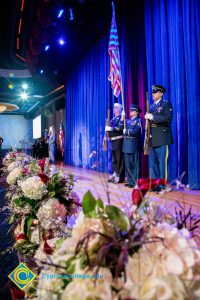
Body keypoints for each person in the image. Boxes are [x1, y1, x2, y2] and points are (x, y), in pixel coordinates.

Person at [144, 84, 173, 180]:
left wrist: (153, 117)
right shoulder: (151, 107)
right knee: (154, 163)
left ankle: (162, 185)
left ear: (161, 93)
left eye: (155, 92)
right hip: (152, 137)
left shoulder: (165, 104)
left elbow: (168, 119)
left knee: (161, 163)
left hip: (162, 137)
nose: (153, 94)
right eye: (152, 92)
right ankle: (156, 183)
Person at [119, 104, 142, 188]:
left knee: (134, 165)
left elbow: (136, 131)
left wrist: (127, 131)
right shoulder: (127, 121)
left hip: (133, 144)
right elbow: (121, 128)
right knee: (128, 164)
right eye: (130, 110)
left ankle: (135, 182)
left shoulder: (138, 121)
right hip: (126, 145)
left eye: (132, 110)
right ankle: (130, 181)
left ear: (136, 112)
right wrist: (122, 119)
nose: (130, 112)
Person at [105, 103, 125, 183]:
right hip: (112, 140)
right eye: (114, 107)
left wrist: (111, 129)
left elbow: (120, 128)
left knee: (119, 159)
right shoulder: (113, 119)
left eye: (116, 107)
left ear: (120, 109)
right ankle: (115, 173)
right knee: (114, 159)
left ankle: (120, 176)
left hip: (118, 140)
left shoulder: (121, 118)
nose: (114, 109)